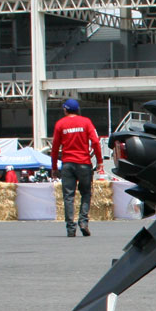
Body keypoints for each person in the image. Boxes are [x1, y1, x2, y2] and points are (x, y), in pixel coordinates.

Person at [51, 98, 102, 237]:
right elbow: (95, 142)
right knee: (86, 193)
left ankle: (70, 228)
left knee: (68, 196)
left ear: (65, 110)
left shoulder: (60, 124)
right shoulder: (86, 122)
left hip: (67, 163)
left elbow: (55, 147)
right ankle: (83, 222)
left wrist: (54, 167)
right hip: (84, 163)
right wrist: (99, 161)